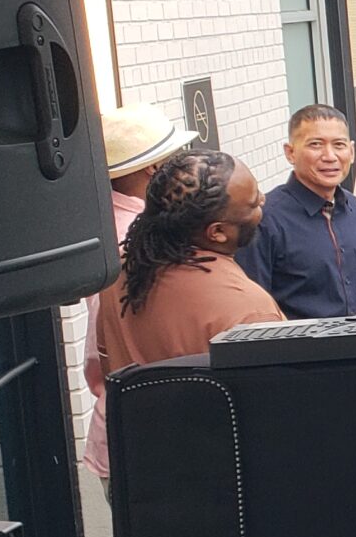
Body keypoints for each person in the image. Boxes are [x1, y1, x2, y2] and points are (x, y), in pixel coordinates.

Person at [89, 148, 283, 393]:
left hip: (133, 417)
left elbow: (106, 362)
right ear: (217, 232)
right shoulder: (249, 310)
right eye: (254, 202)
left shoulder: (121, 270)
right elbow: (272, 400)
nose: (263, 200)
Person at [80, 103, 199, 481]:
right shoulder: (140, 239)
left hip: (119, 421)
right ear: (155, 166)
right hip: (153, 435)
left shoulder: (102, 225)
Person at [237, 103, 356, 319]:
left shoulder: (355, 209)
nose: (330, 156)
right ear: (290, 153)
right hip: (300, 341)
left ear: (351, 152)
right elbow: (252, 308)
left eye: (339, 145)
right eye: (316, 145)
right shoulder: (265, 219)